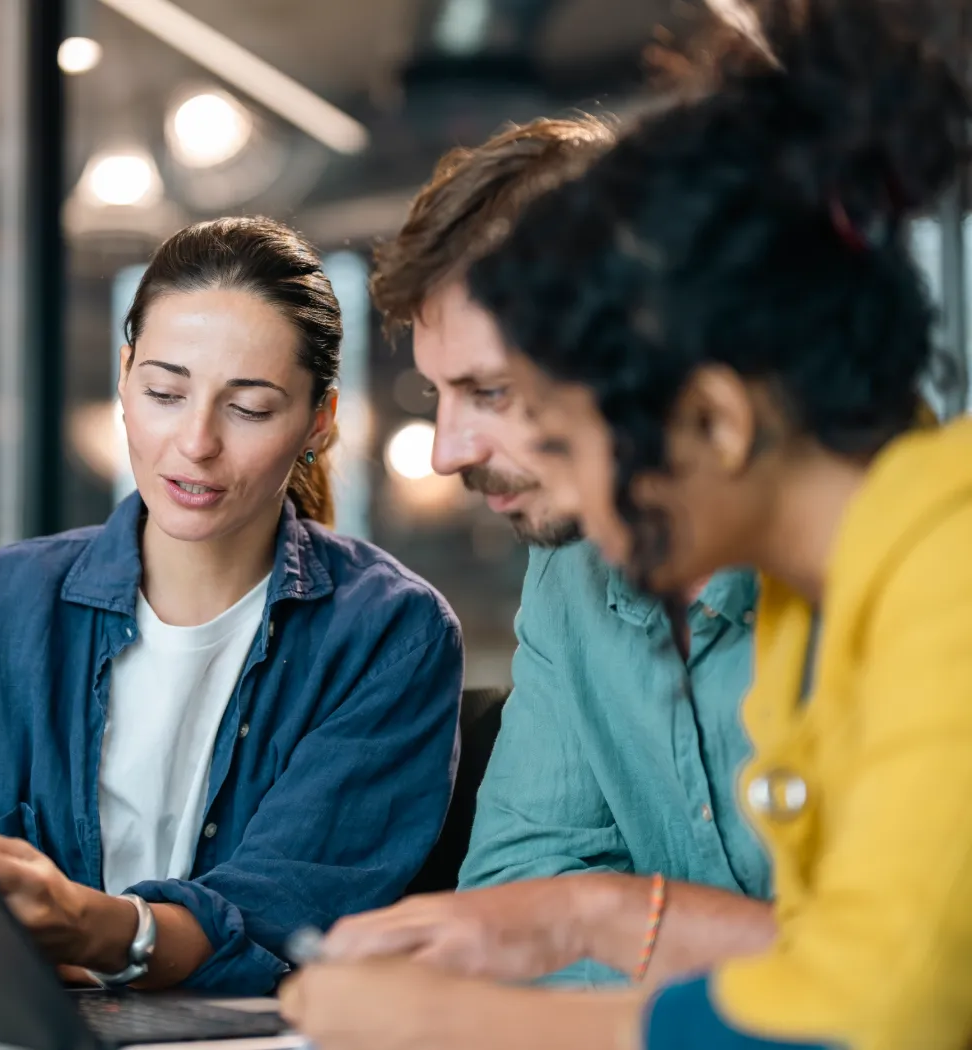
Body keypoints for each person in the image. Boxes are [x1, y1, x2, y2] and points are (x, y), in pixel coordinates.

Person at [283, 2, 972, 1048]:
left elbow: (879, 1008)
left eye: (565, 432)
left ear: (717, 416)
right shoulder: (816, 608)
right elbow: (825, 962)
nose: (575, 491)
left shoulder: (948, 568)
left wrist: (462, 1021)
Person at [0, 216, 463, 996]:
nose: (195, 442)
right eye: (164, 391)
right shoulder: (2, 605)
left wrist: (97, 930)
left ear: (318, 422)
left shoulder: (389, 633)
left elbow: (286, 919)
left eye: (252, 409)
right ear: (125, 380)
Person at [326, 118, 771, 987]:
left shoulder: (898, 573)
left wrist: (598, 920)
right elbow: (512, 895)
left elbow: (895, 982)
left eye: (489, 390)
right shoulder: (571, 571)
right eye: (437, 391)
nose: (448, 450)